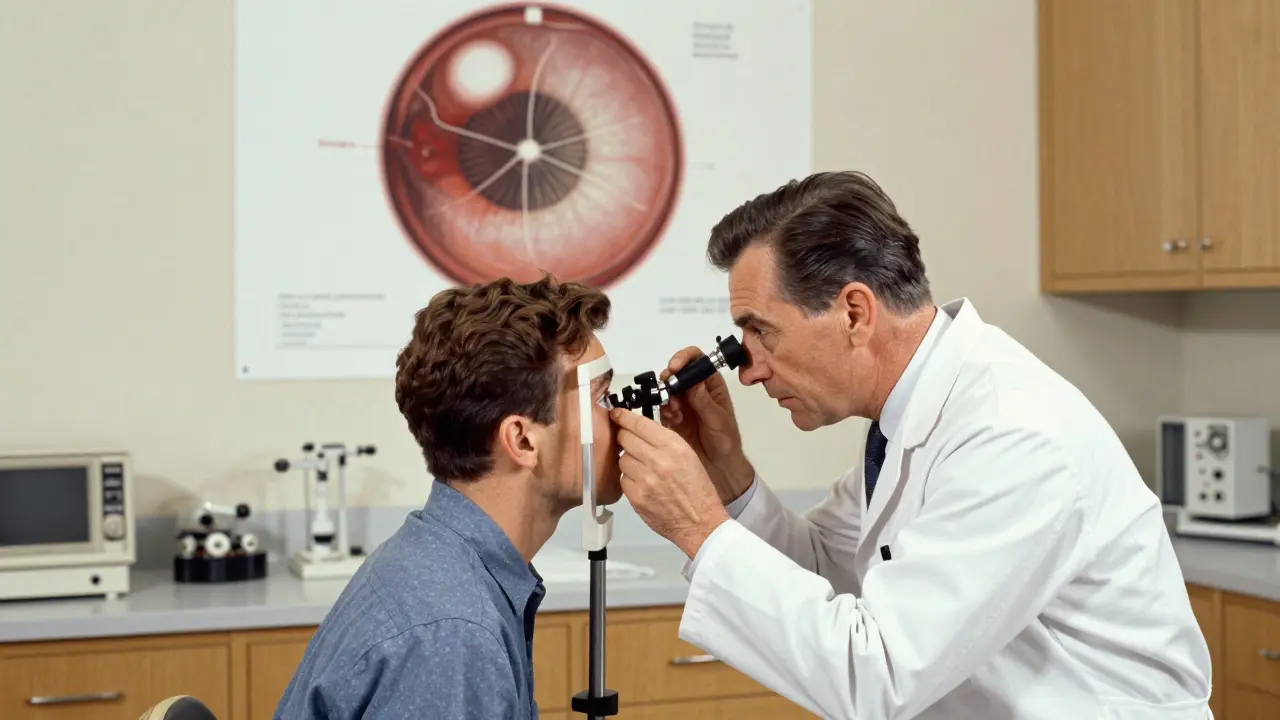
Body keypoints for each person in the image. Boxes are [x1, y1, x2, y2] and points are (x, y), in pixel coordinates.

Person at [608, 171, 1214, 719]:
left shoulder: (1010, 435)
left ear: (853, 312)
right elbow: (827, 568)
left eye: (761, 333)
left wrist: (697, 526)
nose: (749, 371)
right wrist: (725, 475)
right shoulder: (909, 418)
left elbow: (878, 678)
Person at [275, 275, 622, 719]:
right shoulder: (454, 635)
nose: (622, 416)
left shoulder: (433, 562)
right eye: (602, 396)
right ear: (523, 440)